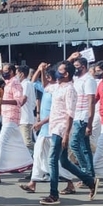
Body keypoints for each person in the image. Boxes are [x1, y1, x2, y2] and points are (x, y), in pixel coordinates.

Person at [39, 61, 99, 206]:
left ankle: (54, 194)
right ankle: (90, 181)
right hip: (54, 127)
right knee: (64, 161)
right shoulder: (58, 87)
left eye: (59, 71)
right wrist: (42, 71)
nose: (56, 73)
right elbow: (45, 86)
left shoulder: (70, 90)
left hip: (61, 128)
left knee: (52, 159)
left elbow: (70, 114)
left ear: (66, 74)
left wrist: (66, 134)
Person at [20, 63, 76, 194]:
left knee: (55, 161)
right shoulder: (51, 89)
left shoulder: (60, 90)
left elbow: (60, 113)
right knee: (39, 156)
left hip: (54, 129)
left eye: (47, 76)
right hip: (47, 129)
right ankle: (33, 182)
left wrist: (41, 123)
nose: (45, 79)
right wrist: (40, 70)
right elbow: (34, 83)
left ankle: (69, 183)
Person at [0, 64, 33, 183]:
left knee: (1, 142)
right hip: (7, 118)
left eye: (6, 71)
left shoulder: (15, 83)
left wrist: (3, 101)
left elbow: (19, 101)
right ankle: (33, 165)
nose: (4, 73)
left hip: (12, 118)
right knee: (17, 145)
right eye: (3, 71)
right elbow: (2, 77)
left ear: (12, 72)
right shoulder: (9, 82)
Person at [69, 55, 97, 179]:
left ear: (83, 67)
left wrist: (89, 123)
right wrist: (71, 58)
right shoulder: (76, 79)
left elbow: (91, 101)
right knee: (84, 147)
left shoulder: (88, 80)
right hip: (76, 115)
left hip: (83, 117)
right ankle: (89, 173)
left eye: (77, 66)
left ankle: (84, 171)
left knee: (74, 144)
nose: (75, 69)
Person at [17, 65, 37, 153]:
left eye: (16, 73)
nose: (16, 75)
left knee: (27, 143)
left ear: (21, 74)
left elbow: (24, 99)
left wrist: (14, 106)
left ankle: (42, 151)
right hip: (21, 118)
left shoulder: (26, 84)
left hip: (26, 118)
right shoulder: (21, 84)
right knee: (21, 143)